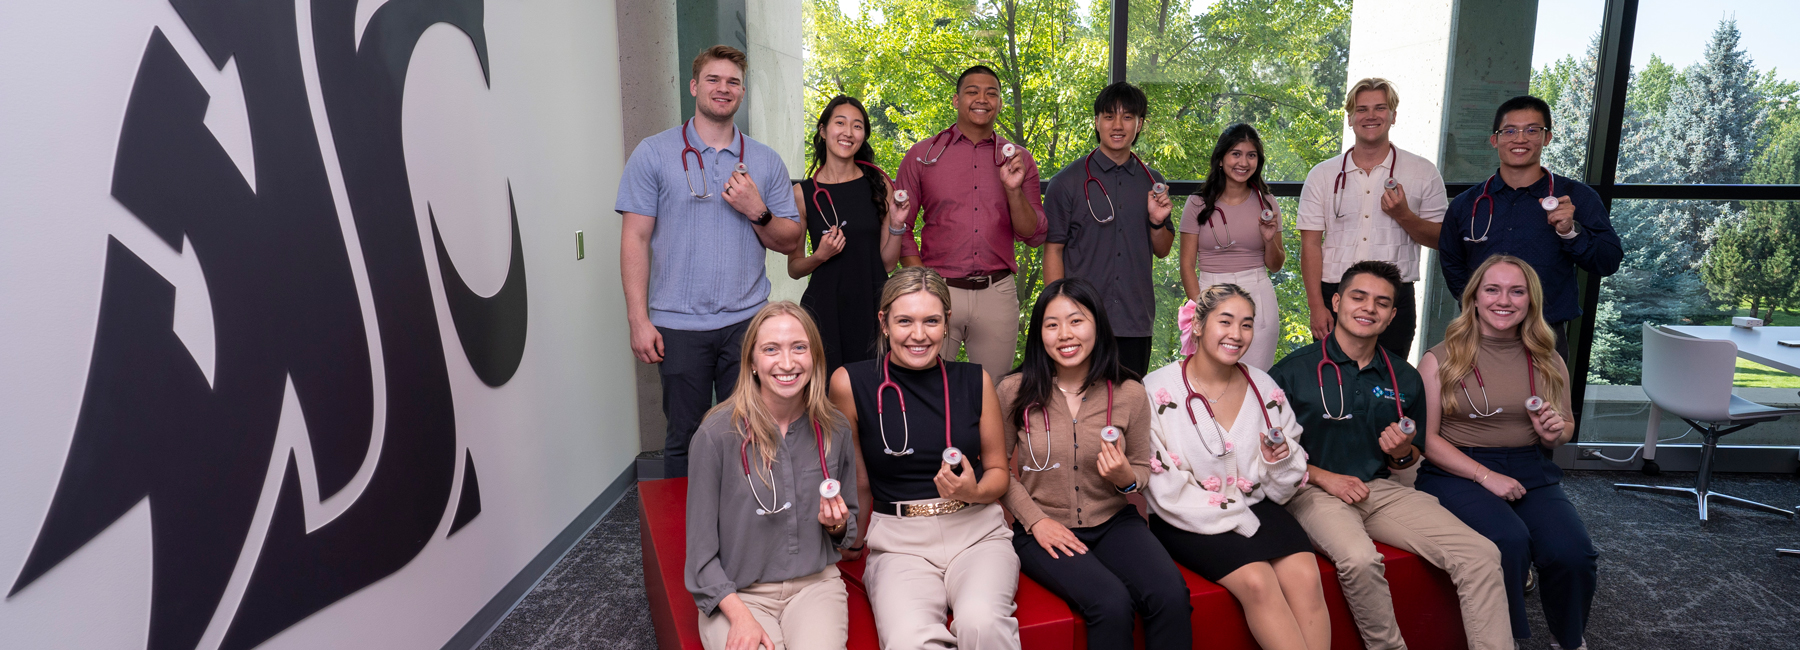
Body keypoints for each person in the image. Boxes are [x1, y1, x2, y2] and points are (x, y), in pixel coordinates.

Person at [1268, 260, 1510, 650]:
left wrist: (1401, 453)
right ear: (1336, 301)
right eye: (1358, 297)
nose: (1369, 308)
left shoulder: (1404, 377)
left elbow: (1408, 458)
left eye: (1382, 303)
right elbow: (1268, 454)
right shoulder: (1291, 372)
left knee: (1481, 554)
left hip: (1378, 489)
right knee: (1360, 559)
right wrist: (1324, 477)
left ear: (1393, 315)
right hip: (1309, 489)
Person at [617, 45, 804, 477]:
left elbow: (790, 239)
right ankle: (687, 538)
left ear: (742, 91)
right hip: (678, 326)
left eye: (733, 82)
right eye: (714, 80)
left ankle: (751, 530)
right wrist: (638, 319)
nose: (724, 89)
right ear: (694, 86)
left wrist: (756, 209)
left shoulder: (764, 160)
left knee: (753, 431)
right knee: (686, 438)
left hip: (747, 323)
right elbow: (635, 238)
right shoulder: (654, 153)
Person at [828, 266, 1020, 650]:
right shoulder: (849, 383)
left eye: (931, 321)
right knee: (909, 640)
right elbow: (858, 479)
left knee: (981, 623)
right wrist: (850, 537)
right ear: (883, 322)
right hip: (899, 543)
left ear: (947, 322)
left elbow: (999, 472)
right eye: (905, 321)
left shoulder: (975, 380)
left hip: (977, 534)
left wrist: (975, 490)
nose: (919, 335)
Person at [997, 278, 1191, 649]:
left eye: (1076, 321)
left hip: (1114, 521)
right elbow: (998, 470)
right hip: (1044, 527)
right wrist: (1036, 522)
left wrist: (1125, 479)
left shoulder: (1130, 393)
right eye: (1052, 325)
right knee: (1111, 604)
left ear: (1097, 326)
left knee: (1170, 597)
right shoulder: (1013, 391)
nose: (1065, 334)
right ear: (1039, 334)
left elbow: (1141, 471)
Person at [1416, 255, 1597, 650]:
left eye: (1517, 291)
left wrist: (1553, 432)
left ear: (1530, 301)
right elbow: (1427, 441)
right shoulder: (1439, 358)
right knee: (1508, 542)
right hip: (1457, 469)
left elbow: (1563, 429)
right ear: (1475, 298)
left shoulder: (1548, 359)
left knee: (1573, 553)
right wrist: (1485, 477)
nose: (1505, 300)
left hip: (1529, 467)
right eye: (1492, 289)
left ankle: (1568, 639)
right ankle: (1501, 639)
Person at [1142, 284, 1327, 650]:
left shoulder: (1263, 386)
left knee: (1307, 576)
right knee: (1258, 582)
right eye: (1225, 321)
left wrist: (1280, 462)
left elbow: (1285, 481)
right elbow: (1164, 490)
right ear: (1197, 324)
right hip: (1189, 516)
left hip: (1258, 506)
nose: (1237, 334)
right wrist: (1236, 516)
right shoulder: (1156, 390)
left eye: (1246, 324)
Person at [685, 302, 859, 650]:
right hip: (738, 594)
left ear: (815, 357)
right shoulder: (716, 435)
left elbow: (850, 530)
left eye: (799, 347)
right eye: (771, 349)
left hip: (815, 587)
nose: (787, 363)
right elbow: (700, 558)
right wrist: (739, 616)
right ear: (751, 361)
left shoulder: (834, 429)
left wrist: (837, 525)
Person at [894, 65, 1049, 382]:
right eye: (972, 91)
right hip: (937, 290)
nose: (982, 99)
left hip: (997, 293)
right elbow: (902, 228)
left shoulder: (1019, 159)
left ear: (1001, 103)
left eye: (992, 93)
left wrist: (1012, 189)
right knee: (924, 387)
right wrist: (922, 283)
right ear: (956, 100)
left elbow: (1033, 234)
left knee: (997, 395)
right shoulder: (922, 155)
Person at [1438, 95, 1622, 360]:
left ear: (1546, 138)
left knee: (1545, 403)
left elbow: (1608, 261)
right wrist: (1480, 308)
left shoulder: (1576, 197)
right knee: (1473, 402)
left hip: (1545, 336)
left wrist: (1570, 232)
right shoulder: (1467, 204)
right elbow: (1452, 263)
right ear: (1495, 140)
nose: (1520, 139)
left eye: (1532, 130)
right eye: (1510, 131)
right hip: (1479, 334)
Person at [1298, 78, 1449, 359]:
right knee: (1332, 379)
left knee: (1387, 383)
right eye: (1361, 109)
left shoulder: (1423, 171)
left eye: (1380, 108)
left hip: (1394, 295)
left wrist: (1403, 215)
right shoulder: (1322, 175)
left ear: (1393, 115)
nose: (1370, 116)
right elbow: (1310, 246)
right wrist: (1316, 306)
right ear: (1350, 118)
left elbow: (1442, 239)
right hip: (1335, 293)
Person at [1043, 82, 1176, 377]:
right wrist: (1057, 313)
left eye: (1128, 117)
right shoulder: (1065, 182)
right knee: (1078, 406)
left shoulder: (1153, 182)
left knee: (1127, 408)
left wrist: (1156, 220)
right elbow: (1052, 249)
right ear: (1096, 122)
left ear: (1140, 124)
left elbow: (1163, 249)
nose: (1118, 125)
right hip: (1080, 320)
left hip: (1134, 319)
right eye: (1108, 116)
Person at [789, 96, 909, 373]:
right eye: (839, 123)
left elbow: (888, 264)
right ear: (822, 130)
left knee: (871, 392)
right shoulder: (802, 194)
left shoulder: (879, 185)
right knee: (827, 398)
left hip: (871, 309)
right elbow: (795, 269)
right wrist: (820, 255)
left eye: (857, 126)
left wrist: (898, 224)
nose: (848, 132)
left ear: (864, 135)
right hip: (824, 312)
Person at [1179, 124, 1286, 370]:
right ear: (1221, 159)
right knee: (1210, 379)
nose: (1243, 162)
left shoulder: (1267, 203)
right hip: (1210, 294)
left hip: (1257, 294)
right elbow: (1186, 266)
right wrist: (1201, 309)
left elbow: (1276, 265)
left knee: (1254, 378)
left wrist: (1268, 239)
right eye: (1236, 154)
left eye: (1251, 155)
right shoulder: (1196, 203)